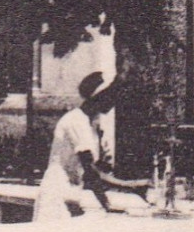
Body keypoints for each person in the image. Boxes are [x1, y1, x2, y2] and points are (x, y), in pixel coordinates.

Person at [33, 72, 143, 222]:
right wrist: (124, 188)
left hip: (71, 190)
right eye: (111, 95)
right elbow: (90, 170)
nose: (113, 102)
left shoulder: (90, 124)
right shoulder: (77, 121)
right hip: (57, 192)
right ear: (98, 97)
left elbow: (94, 168)